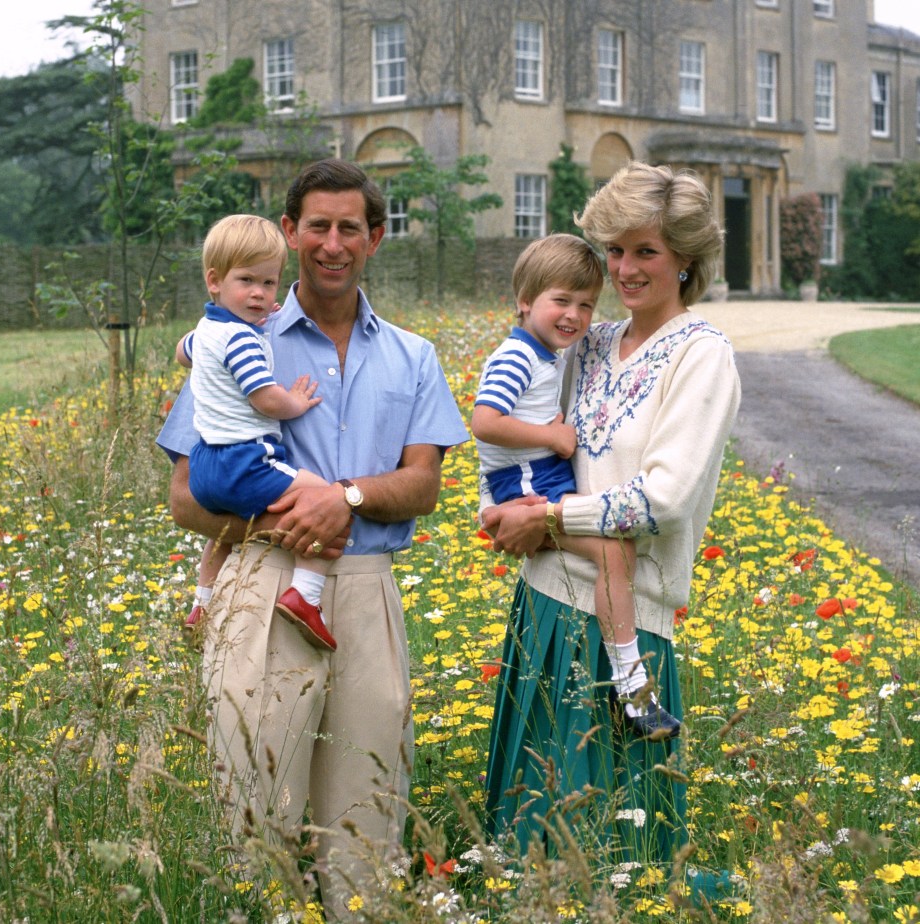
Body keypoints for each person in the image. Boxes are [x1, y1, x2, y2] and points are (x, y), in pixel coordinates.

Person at [156, 159, 469, 919]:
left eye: (350, 228)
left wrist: (347, 497)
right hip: (263, 582)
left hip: (365, 594)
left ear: (376, 238)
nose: (333, 244)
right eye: (317, 227)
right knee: (255, 811)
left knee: (369, 819)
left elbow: (422, 484)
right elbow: (183, 496)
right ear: (291, 233)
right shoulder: (234, 337)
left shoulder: (412, 355)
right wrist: (285, 520)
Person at [481, 162, 741, 872]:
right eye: (616, 251)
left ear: (686, 259)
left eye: (645, 251)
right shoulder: (589, 342)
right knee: (533, 836)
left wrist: (549, 518)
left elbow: (662, 501)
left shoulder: (701, 356)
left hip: (627, 623)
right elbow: (516, 419)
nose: (625, 269)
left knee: (616, 851)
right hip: (543, 601)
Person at [472, 234, 681, 739]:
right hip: (530, 485)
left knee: (616, 557)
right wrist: (553, 436)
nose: (574, 315)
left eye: (585, 304)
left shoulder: (546, 354)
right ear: (524, 301)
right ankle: (632, 688)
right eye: (560, 301)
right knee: (613, 556)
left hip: (539, 482)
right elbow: (484, 422)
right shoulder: (517, 357)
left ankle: (629, 682)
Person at [177, 213, 336, 651]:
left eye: (269, 284)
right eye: (247, 281)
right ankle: (306, 596)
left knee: (222, 536)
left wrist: (252, 318)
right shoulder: (242, 341)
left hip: (206, 466)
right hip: (247, 459)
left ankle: (202, 603)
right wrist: (296, 402)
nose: (259, 294)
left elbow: (182, 352)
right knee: (325, 500)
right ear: (214, 280)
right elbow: (264, 398)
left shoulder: (208, 330)